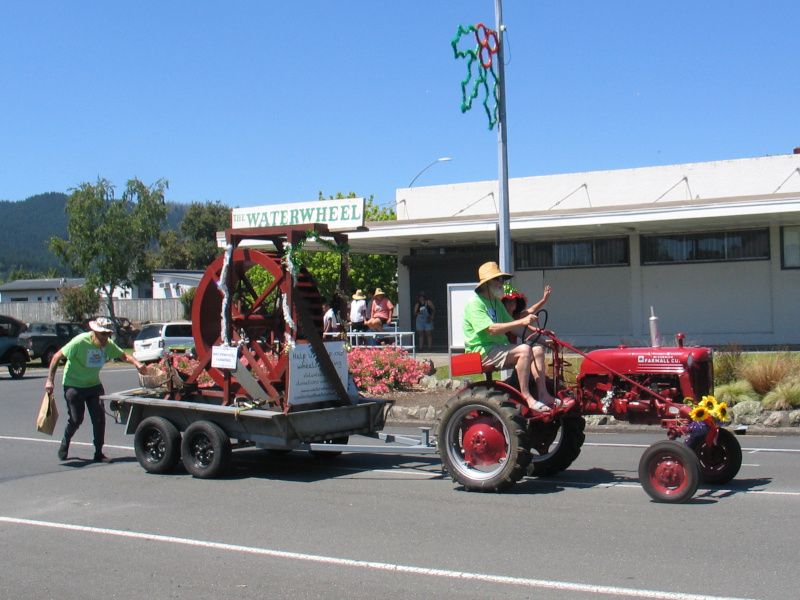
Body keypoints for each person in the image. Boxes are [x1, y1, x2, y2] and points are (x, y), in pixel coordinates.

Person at [45, 316, 148, 462]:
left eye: (109, 334)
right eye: (103, 334)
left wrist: (138, 364)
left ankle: (98, 453)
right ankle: (65, 441)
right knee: (76, 419)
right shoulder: (80, 341)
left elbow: (124, 356)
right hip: (74, 385)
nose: (106, 337)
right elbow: (56, 357)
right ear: (94, 332)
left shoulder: (108, 345)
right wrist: (50, 381)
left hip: (93, 385)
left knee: (99, 419)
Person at [462, 262, 557, 414]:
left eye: (503, 279)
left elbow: (516, 328)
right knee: (524, 350)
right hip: (482, 351)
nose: (502, 283)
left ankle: (543, 395)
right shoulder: (475, 303)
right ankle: (526, 396)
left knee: (538, 350)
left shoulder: (495, 303)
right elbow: (491, 329)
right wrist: (522, 321)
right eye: (498, 279)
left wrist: (544, 341)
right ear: (487, 283)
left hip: (498, 348)